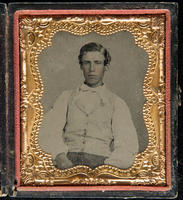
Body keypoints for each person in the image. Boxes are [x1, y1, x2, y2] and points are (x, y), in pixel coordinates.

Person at [39, 42, 139, 169]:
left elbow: (127, 143)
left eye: (97, 63)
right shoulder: (66, 97)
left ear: (106, 66)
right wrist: (60, 157)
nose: (92, 69)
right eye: (87, 63)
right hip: (66, 162)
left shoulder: (117, 103)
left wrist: (107, 167)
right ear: (81, 66)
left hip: (102, 165)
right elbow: (49, 131)